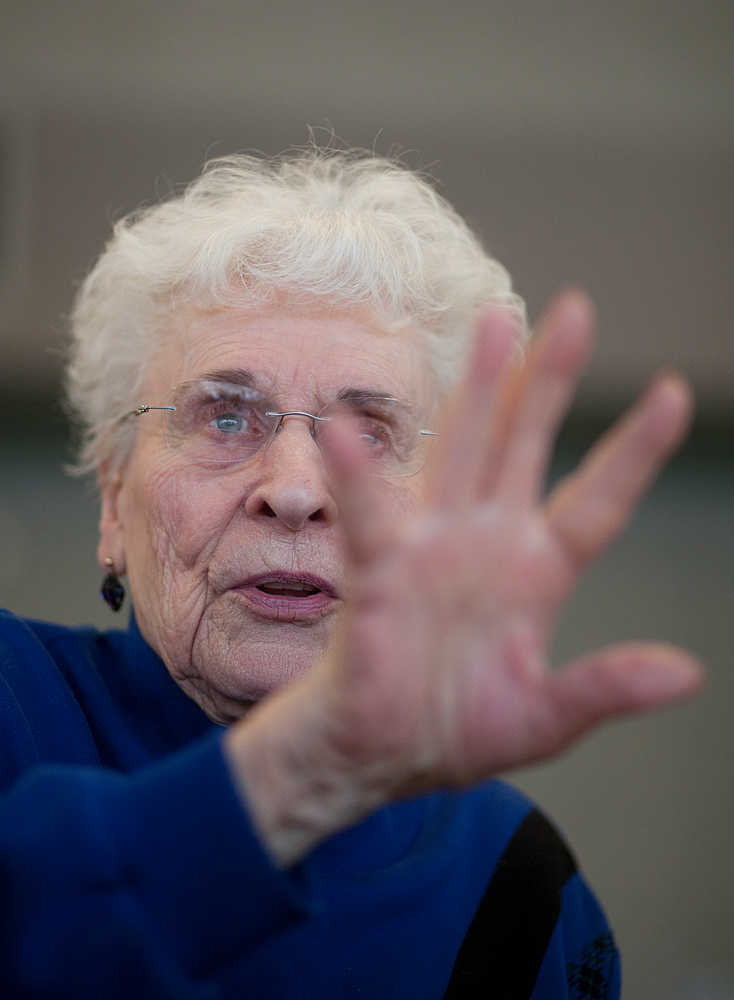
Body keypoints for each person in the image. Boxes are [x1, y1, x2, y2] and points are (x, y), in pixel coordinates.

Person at [0, 147, 702, 998]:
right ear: (114, 499)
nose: (295, 491)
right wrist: (305, 769)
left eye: (370, 433)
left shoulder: (518, 881)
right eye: (226, 416)